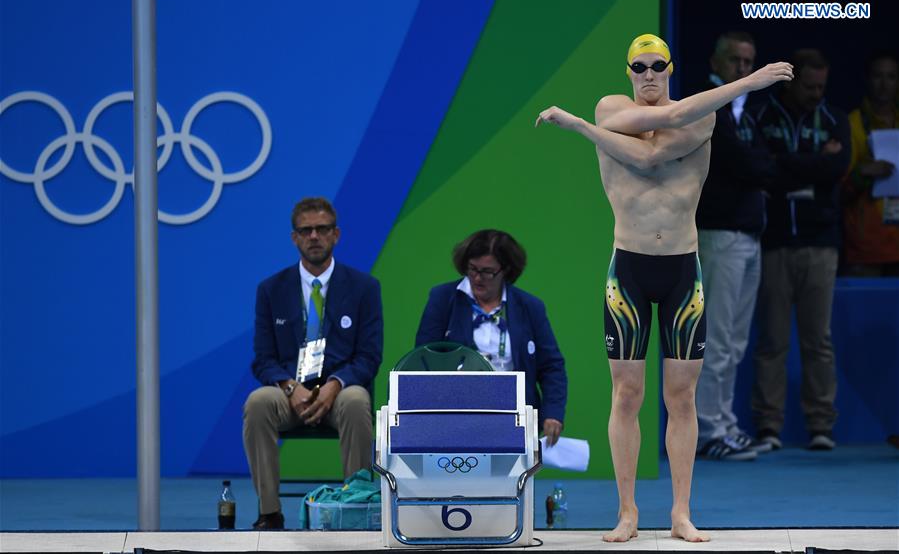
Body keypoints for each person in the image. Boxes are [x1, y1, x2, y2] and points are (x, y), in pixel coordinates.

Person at [535, 33, 792, 542]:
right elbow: (641, 133)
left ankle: (679, 511)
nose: (649, 75)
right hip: (628, 269)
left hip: (682, 272)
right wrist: (594, 123)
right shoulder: (610, 106)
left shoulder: (701, 114)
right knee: (626, 394)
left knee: (681, 395)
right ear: (628, 72)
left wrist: (578, 127)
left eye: (658, 66)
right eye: (639, 67)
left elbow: (652, 152)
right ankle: (627, 512)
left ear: (671, 69)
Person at [243, 197, 383, 530]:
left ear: (336, 234)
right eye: (306, 231)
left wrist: (334, 385)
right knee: (258, 402)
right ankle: (270, 512)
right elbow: (263, 358)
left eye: (322, 229)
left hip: (339, 394)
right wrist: (290, 388)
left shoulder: (364, 287)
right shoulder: (270, 290)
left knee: (356, 399)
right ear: (295, 238)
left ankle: (355, 506)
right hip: (290, 395)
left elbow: (369, 356)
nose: (314, 237)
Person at [751, 49, 851, 452]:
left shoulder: (835, 119)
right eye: (809, 86)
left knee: (818, 340)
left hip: (820, 245)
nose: (815, 94)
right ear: (791, 83)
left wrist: (787, 164)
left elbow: (836, 168)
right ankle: (768, 426)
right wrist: (810, 163)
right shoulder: (763, 116)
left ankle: (821, 425)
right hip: (774, 243)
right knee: (773, 339)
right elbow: (761, 168)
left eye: (821, 87)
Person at [694, 31, 778, 461]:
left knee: (737, 341)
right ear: (717, 60)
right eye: (735, 60)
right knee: (719, 338)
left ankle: (725, 423)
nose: (743, 69)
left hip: (749, 236)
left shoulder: (745, 112)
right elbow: (746, 163)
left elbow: (767, 164)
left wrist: (761, 164)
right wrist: (760, 164)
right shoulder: (710, 106)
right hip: (719, 236)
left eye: (749, 61)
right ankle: (709, 429)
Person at [415, 229, 567, 445]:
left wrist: (553, 413)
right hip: (455, 411)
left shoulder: (530, 307)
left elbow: (552, 366)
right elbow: (423, 359)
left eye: (487, 272)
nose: (477, 278)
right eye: (472, 269)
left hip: (516, 414)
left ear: (505, 270)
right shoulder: (443, 299)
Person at [841, 52, 899, 276]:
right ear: (867, 79)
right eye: (878, 76)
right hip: (865, 246)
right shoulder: (851, 124)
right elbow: (839, 190)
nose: (884, 84)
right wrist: (863, 173)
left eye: (891, 77)